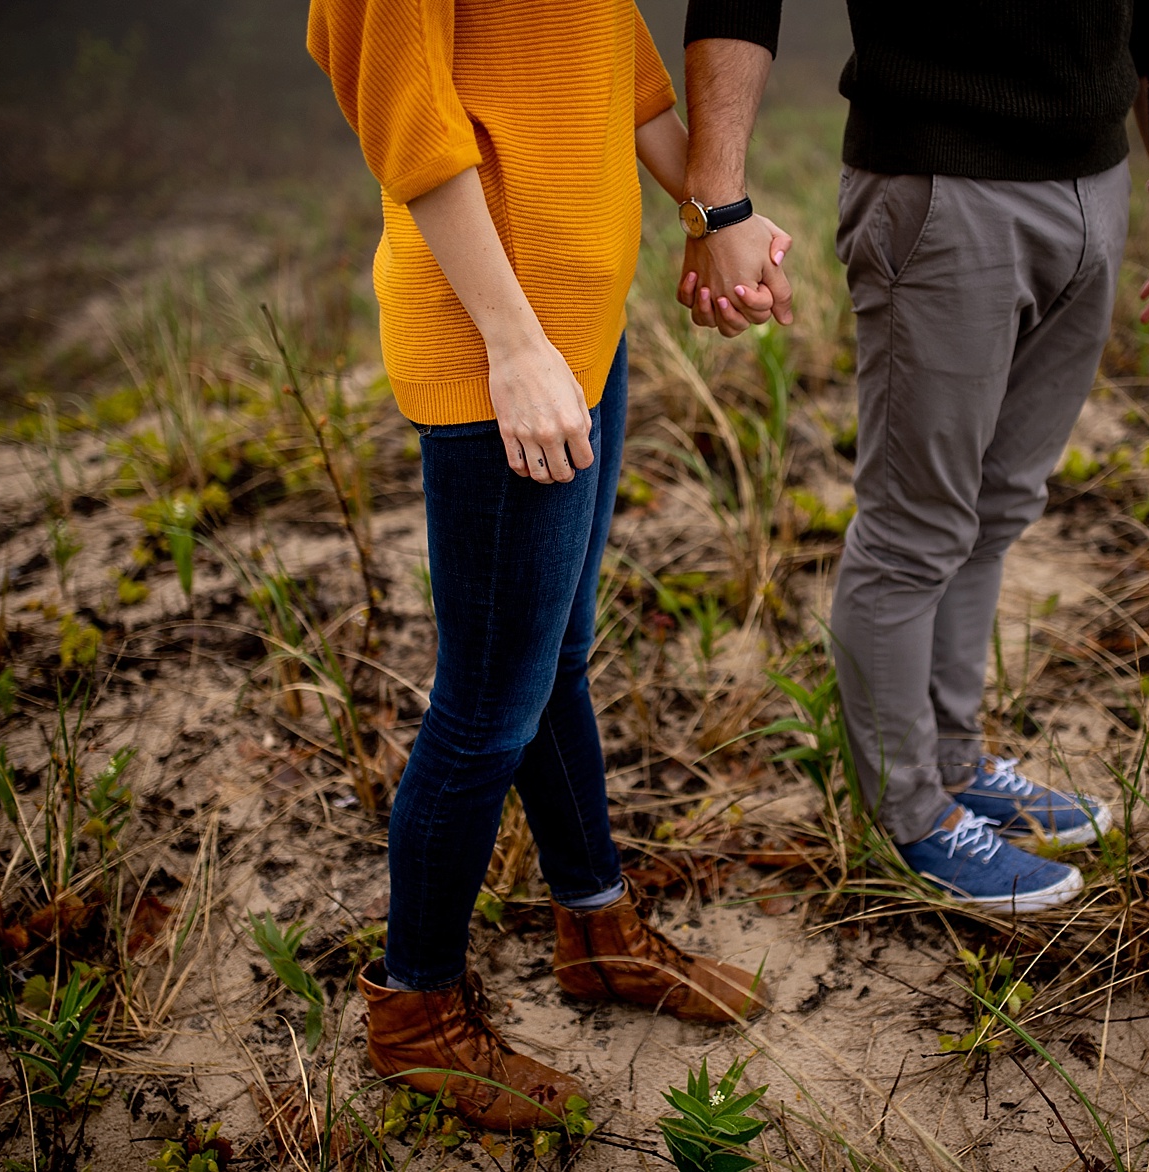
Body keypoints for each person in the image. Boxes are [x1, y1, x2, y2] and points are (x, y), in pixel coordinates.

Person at [306, 0, 788, 1131]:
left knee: (551, 662)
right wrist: (513, 344)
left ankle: (597, 928)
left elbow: (610, 62)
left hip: (580, 329)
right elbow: (400, 105)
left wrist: (718, 214)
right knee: (485, 709)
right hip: (501, 349)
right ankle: (415, 1007)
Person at [678, 1, 1149, 910]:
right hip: (940, 182)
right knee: (915, 525)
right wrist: (716, 198)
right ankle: (910, 816)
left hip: (1098, 180)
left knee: (1002, 501)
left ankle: (954, 764)